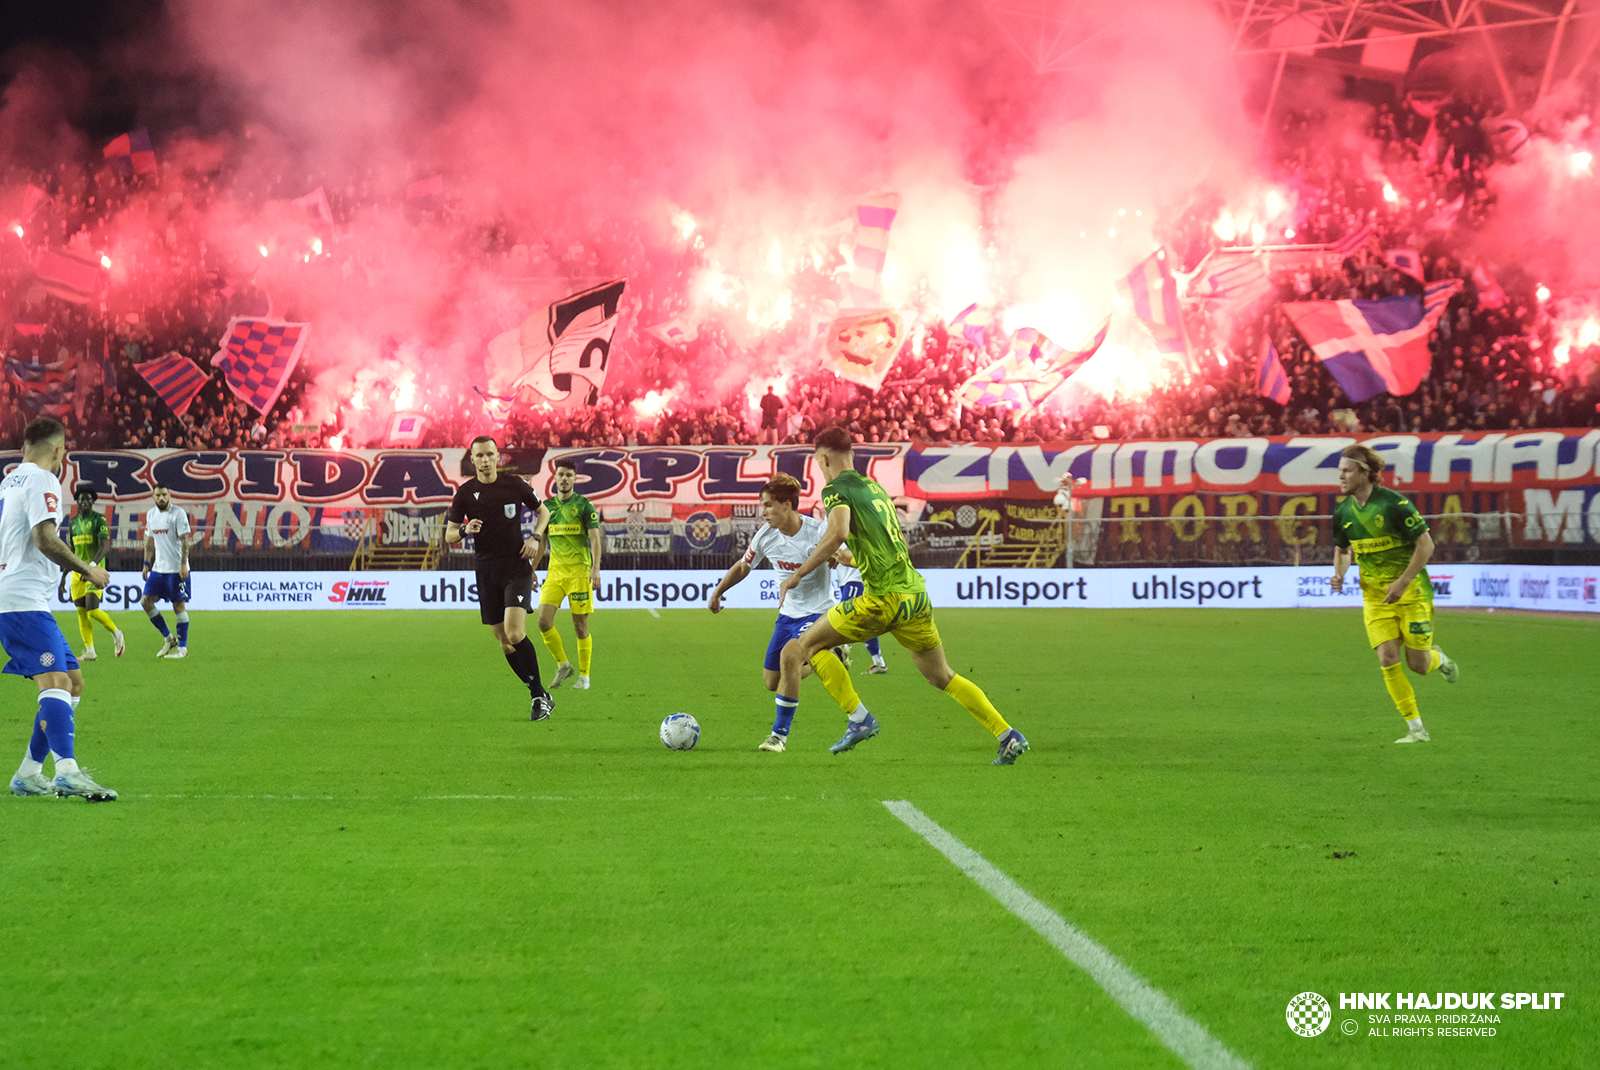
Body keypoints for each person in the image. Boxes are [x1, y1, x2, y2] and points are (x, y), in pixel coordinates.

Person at [777, 428, 1029, 764]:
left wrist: (798, 573)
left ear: (823, 458)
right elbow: (887, 547)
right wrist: (851, 558)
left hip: (883, 600)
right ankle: (1007, 734)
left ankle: (858, 719)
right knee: (943, 676)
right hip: (915, 597)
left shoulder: (836, 489)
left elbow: (836, 532)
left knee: (805, 646)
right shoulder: (875, 490)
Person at [708, 474, 871, 752]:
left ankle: (778, 737)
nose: (763, 512)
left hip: (819, 613)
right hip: (787, 616)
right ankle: (831, 655)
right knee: (773, 681)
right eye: (763, 505)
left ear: (787, 505)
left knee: (790, 657)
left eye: (769, 505)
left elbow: (848, 557)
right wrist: (718, 590)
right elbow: (744, 566)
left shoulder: (818, 531)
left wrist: (846, 557)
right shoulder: (766, 535)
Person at [4, 417, 117, 800]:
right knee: (54, 682)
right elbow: (44, 537)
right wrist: (88, 570)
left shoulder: (8, 481)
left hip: (18, 599)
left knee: (72, 680)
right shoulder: (42, 479)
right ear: (57, 450)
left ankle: (29, 773)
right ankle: (67, 771)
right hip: (22, 601)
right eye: (63, 451)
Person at [1331, 444, 1459, 742]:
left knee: (1419, 664)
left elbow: (1426, 545)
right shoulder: (1342, 512)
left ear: (1365, 473)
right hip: (1374, 598)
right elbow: (1342, 550)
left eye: (1347, 471)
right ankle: (1416, 729)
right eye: (1340, 471)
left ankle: (1440, 659)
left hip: (1411, 594)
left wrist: (1401, 582)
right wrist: (1339, 573)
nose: (1341, 477)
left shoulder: (1394, 504)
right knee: (1387, 658)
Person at [445, 435, 553, 720]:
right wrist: (466, 531)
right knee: (504, 642)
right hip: (485, 570)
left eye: (489, 454)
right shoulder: (465, 493)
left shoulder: (515, 484)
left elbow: (544, 512)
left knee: (516, 633)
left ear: (497, 457)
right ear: (472, 459)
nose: (484, 460)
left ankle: (538, 697)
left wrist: (535, 536)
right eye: (478, 456)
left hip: (516, 566)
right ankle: (540, 693)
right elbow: (449, 535)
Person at [532, 457, 601, 690]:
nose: (564, 479)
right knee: (543, 621)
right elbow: (541, 542)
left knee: (579, 624)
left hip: (579, 573)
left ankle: (584, 676)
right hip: (555, 573)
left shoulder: (584, 506)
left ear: (575, 478)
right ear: (555, 477)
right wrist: (531, 569)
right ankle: (563, 664)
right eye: (560, 474)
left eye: (568, 475)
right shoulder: (547, 507)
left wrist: (596, 569)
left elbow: (595, 540)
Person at [59, 486, 125, 660]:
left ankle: (117, 633)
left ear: (93, 502)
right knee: (81, 612)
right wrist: (63, 578)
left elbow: (105, 545)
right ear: (78, 502)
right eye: (82, 499)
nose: (85, 502)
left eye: (89, 499)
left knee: (93, 610)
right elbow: (70, 553)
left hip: (94, 571)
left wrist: (92, 567)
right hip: (76, 573)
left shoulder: (99, 520)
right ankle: (90, 651)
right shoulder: (72, 523)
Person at [142, 483, 191, 658]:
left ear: (169, 495)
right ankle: (169, 638)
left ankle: (182, 649)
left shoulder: (178, 514)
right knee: (146, 601)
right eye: (158, 495)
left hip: (176, 569)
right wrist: (147, 563)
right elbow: (149, 541)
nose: (161, 498)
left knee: (178, 606)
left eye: (164, 495)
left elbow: (185, 540)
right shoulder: (151, 515)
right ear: (153, 496)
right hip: (158, 569)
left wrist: (183, 564)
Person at [831, 559, 886, 673]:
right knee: (864, 623)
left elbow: (846, 554)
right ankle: (879, 663)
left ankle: (840, 650)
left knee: (843, 615)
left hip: (856, 578)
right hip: (845, 579)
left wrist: (834, 553)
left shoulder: (849, 540)